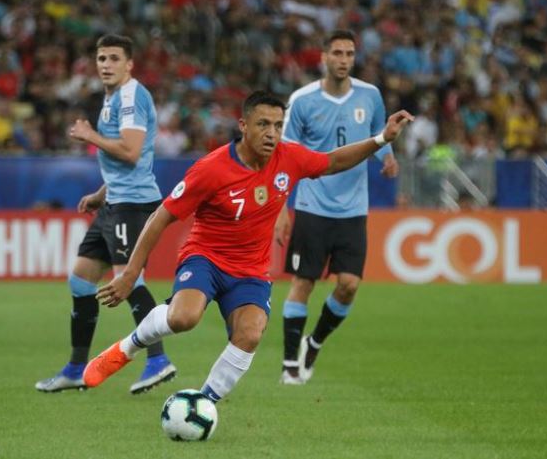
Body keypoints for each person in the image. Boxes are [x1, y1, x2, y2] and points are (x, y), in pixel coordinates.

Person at [80, 90, 412, 403]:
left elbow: (334, 161)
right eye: (263, 124)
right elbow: (161, 216)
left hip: (251, 270)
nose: (272, 133)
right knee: (184, 318)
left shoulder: (289, 158)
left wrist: (382, 138)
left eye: (278, 125)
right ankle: (126, 349)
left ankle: (203, 403)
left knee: (250, 333)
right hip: (205, 259)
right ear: (243, 126)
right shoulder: (211, 169)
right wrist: (130, 273)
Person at [35, 34, 176, 394]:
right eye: (101, 58)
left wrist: (89, 135)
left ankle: (158, 360)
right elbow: (129, 161)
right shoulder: (113, 97)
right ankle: (75, 368)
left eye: (114, 58)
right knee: (81, 280)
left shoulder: (132, 95)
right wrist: (101, 193)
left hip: (133, 204)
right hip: (115, 201)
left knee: (129, 281)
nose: (106, 65)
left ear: (129, 64)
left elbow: (129, 152)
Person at [275, 30, 400, 385]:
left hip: (353, 209)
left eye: (349, 53)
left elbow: (378, 133)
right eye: (338, 53)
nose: (344, 59)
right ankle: (289, 365)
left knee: (348, 285)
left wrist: (387, 157)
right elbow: (284, 158)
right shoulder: (302, 101)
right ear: (323, 57)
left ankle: (313, 343)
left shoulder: (370, 95)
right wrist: (281, 209)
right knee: (304, 282)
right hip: (313, 205)